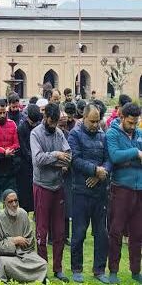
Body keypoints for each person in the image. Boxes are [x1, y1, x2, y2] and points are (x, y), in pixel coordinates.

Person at [68, 104, 111, 284]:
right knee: (79, 233)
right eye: (92, 121)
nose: (95, 125)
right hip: (81, 192)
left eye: (97, 121)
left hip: (100, 193)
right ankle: (76, 269)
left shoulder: (103, 135)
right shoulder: (74, 135)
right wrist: (94, 170)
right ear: (84, 118)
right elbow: (75, 159)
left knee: (101, 234)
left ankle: (99, 270)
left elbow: (109, 159)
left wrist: (100, 174)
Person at [30, 102, 71, 283]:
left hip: (58, 187)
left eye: (56, 122)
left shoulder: (59, 133)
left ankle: (58, 269)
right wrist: (56, 155)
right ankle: (42, 269)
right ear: (45, 117)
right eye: (52, 121)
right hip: (42, 186)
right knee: (42, 231)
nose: (54, 125)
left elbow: (68, 156)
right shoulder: (35, 134)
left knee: (60, 231)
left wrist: (58, 160)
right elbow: (38, 160)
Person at [106, 102, 142, 284]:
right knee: (116, 231)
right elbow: (114, 156)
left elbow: (122, 157)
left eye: (135, 122)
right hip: (120, 188)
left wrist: (127, 158)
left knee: (138, 233)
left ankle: (135, 271)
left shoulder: (140, 133)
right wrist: (136, 153)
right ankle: (113, 271)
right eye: (130, 122)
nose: (133, 126)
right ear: (121, 117)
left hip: (139, 189)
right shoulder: (112, 134)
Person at [0, 189, 47, 283]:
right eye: (10, 202)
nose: (14, 204)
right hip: (7, 257)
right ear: (4, 204)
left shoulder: (23, 214)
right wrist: (13, 241)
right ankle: (31, 277)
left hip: (25, 254)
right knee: (3, 263)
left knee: (43, 263)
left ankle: (18, 277)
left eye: (16, 201)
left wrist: (23, 245)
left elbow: (30, 242)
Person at [0, 98, 20, 218]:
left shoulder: (12, 124)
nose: (2, 115)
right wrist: (3, 152)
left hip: (10, 170)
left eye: (4, 112)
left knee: (12, 205)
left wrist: (9, 150)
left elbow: (16, 144)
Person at [16, 104, 42, 213]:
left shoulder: (40, 127)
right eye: (32, 123)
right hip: (25, 167)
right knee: (25, 199)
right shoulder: (22, 128)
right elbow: (23, 148)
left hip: (38, 166)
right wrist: (34, 158)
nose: (34, 125)